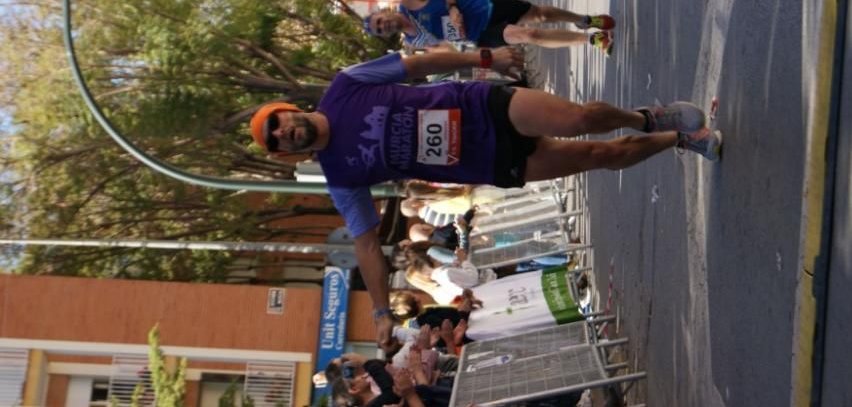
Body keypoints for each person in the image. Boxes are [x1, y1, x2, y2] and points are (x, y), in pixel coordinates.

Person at [248, 46, 723, 348]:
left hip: (483, 108)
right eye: (279, 139)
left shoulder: (346, 86)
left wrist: (483, 59)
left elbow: (416, 64)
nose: (286, 132)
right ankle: (680, 141)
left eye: (281, 122)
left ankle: (645, 118)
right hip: (487, 164)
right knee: (600, 155)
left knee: (581, 120)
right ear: (290, 154)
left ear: (292, 111)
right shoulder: (340, 176)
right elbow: (367, 245)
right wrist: (377, 312)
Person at [362, 0, 616, 55]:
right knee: (528, 35)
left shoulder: (409, 0)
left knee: (540, 14)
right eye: (381, 30)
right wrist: (459, 42)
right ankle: (592, 39)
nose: (385, 26)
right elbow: (444, 45)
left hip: (484, 7)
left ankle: (582, 20)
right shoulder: (412, 41)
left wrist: (452, 7)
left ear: (384, 12)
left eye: (381, 22)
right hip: (480, 34)